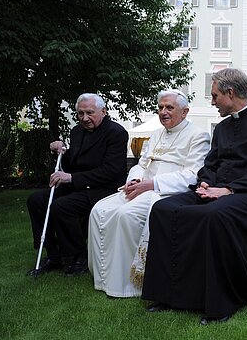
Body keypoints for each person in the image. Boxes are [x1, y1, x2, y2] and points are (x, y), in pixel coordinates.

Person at [141, 68, 247, 325]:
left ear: (230, 93)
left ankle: (219, 302)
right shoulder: (221, 128)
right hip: (216, 190)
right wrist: (206, 182)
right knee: (163, 209)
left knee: (213, 216)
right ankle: (167, 294)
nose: (212, 101)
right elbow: (210, 164)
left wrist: (229, 190)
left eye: (215, 95)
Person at [87, 90, 210, 298]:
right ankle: (104, 278)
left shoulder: (199, 135)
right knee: (99, 210)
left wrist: (152, 184)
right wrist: (134, 180)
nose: (163, 112)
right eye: (161, 107)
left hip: (165, 192)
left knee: (125, 216)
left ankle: (128, 284)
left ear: (185, 111)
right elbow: (140, 164)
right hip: (141, 187)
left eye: (169, 108)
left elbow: (192, 176)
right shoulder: (155, 134)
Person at [27, 93, 128, 276]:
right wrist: (61, 153)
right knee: (36, 200)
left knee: (63, 206)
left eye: (90, 113)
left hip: (105, 188)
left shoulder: (116, 133)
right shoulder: (76, 131)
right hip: (79, 184)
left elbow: (110, 171)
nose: (85, 118)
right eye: (80, 113)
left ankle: (77, 256)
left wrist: (71, 178)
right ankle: (53, 254)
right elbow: (73, 164)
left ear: (103, 111)